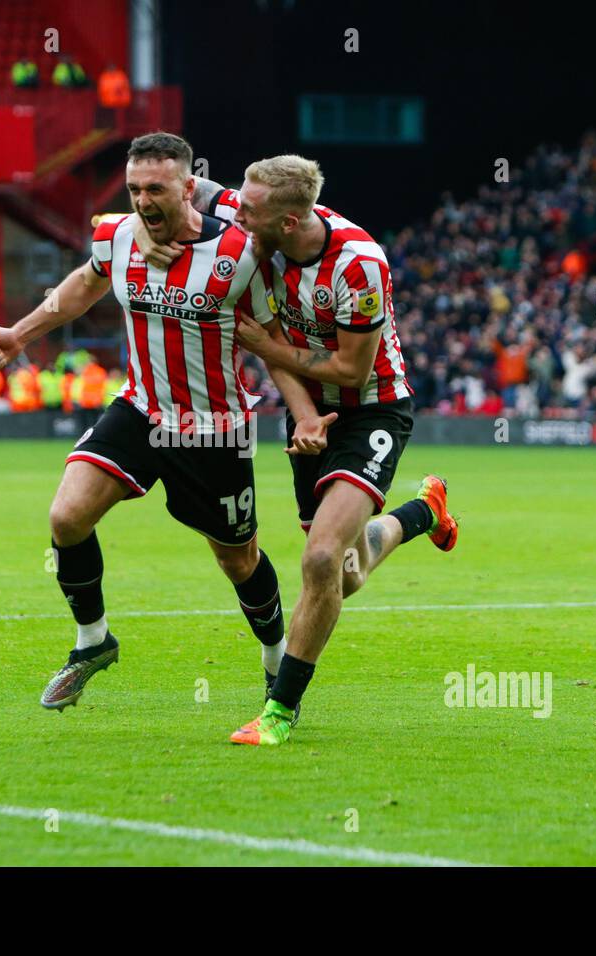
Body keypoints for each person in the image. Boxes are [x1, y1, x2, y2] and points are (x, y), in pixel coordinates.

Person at [137, 156, 459, 745]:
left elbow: (350, 369)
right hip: (307, 415)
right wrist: (141, 231)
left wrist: (264, 345)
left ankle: (280, 710)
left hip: (370, 411)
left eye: (249, 209)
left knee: (318, 561)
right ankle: (423, 513)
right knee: (348, 572)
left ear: (287, 224)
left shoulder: (358, 267)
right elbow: (172, 191)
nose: (236, 214)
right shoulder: (250, 211)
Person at [0, 132, 291, 713]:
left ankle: (278, 661)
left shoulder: (242, 254)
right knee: (67, 517)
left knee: (236, 558)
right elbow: (82, 285)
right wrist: (17, 334)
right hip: (141, 408)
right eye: (133, 189)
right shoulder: (119, 236)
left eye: (156, 189)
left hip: (213, 429)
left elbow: (275, 341)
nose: (143, 201)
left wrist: (306, 412)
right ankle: (92, 642)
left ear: (188, 186)